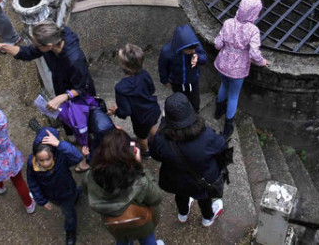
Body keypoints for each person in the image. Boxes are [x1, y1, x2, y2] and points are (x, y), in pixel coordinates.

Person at [149, 93, 226, 228]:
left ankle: (183, 214)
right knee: (204, 198)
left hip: (175, 179)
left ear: (167, 117)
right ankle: (207, 218)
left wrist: (162, 122)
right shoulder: (207, 135)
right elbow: (221, 146)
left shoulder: (160, 139)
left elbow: (155, 155)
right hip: (201, 179)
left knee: (181, 194)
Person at [0, 21, 95, 108]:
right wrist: (2, 46)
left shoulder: (75, 61)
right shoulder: (52, 43)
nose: (34, 47)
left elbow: (82, 88)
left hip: (79, 96)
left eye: (37, 45)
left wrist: (63, 97)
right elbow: (27, 53)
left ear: (49, 46)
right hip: (61, 84)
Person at [86, 129, 165, 245]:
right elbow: (157, 197)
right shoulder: (139, 181)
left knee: (122, 241)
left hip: (115, 224)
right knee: (148, 240)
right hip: (141, 222)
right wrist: (140, 167)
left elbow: (87, 191)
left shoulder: (90, 176)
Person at [213, 0, 269, 139]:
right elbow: (254, 53)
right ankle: (227, 127)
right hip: (238, 69)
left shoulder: (228, 23)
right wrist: (262, 62)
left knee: (223, 86)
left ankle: (217, 112)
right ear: (255, 13)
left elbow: (218, 44)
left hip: (222, 63)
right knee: (233, 96)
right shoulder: (253, 30)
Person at [27, 126, 85, 245]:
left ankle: (71, 230)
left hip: (67, 189)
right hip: (54, 196)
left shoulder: (62, 157)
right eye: (40, 160)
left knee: (70, 210)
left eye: (48, 159)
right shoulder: (31, 163)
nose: (44, 163)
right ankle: (71, 228)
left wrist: (60, 144)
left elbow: (77, 157)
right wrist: (42, 201)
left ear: (54, 154)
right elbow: (32, 182)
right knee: (69, 210)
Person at [110, 44, 161, 158]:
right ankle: (158, 143)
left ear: (125, 66)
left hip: (140, 118)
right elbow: (152, 89)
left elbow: (126, 111)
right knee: (152, 126)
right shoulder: (145, 74)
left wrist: (116, 111)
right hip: (153, 109)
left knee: (141, 136)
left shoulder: (121, 87)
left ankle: (146, 152)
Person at [158, 25, 208, 114]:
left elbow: (204, 58)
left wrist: (198, 57)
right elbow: (162, 68)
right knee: (180, 102)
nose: (193, 51)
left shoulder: (195, 45)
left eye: (194, 49)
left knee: (195, 101)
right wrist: (165, 81)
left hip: (193, 81)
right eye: (189, 50)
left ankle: (195, 114)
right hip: (177, 82)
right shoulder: (167, 52)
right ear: (181, 47)